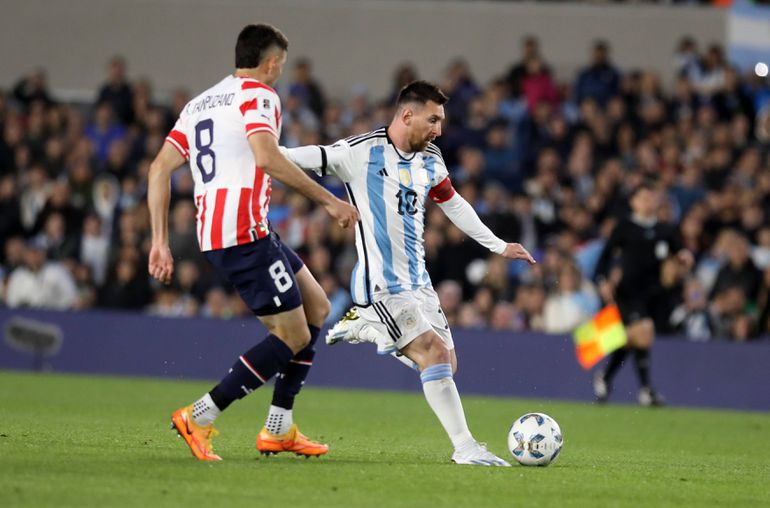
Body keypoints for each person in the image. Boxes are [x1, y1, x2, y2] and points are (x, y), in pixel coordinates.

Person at [282, 81, 535, 466]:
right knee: (433, 353)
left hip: (419, 283)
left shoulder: (431, 158)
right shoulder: (359, 152)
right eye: (433, 120)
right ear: (407, 115)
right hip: (381, 285)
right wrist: (257, 151)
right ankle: (465, 447)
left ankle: (368, 328)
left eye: (441, 121)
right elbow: (291, 157)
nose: (439, 130)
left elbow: (454, 203)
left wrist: (498, 245)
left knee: (446, 366)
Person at [146, 24, 358, 461]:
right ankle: (200, 415)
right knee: (293, 334)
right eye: (281, 63)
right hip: (242, 232)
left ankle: (278, 427)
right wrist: (329, 200)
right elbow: (266, 157)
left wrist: (160, 241)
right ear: (272, 62)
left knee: (317, 307)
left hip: (228, 231)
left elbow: (158, 169)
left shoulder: (200, 103)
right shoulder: (260, 95)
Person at [593, 182, 694, 406]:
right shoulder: (625, 227)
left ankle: (605, 377)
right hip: (628, 291)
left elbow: (679, 250)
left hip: (655, 294)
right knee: (644, 331)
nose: (648, 202)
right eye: (643, 198)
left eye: (651, 198)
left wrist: (684, 256)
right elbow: (605, 257)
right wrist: (602, 281)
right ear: (634, 202)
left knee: (633, 339)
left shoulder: (664, 229)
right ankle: (646, 391)